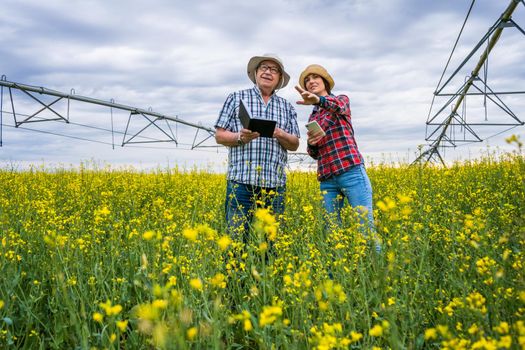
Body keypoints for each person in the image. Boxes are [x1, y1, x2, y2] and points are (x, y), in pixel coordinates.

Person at [215, 53, 300, 242]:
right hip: (241, 182)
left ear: (279, 79)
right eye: (264, 68)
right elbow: (219, 135)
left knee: (272, 244)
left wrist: (279, 133)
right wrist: (240, 137)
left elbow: (294, 143)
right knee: (236, 243)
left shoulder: (286, 106)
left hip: (275, 185)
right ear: (255, 73)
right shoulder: (236, 98)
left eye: (274, 70)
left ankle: (268, 272)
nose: (268, 72)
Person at [295, 64, 380, 252]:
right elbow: (313, 153)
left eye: (315, 77)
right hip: (327, 179)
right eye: (307, 80)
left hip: (351, 172)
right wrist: (312, 143)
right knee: (332, 232)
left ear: (325, 81)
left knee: (365, 229)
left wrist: (318, 100)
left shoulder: (340, 100)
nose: (310, 82)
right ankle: (337, 275)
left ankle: (379, 273)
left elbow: (336, 105)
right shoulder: (313, 115)